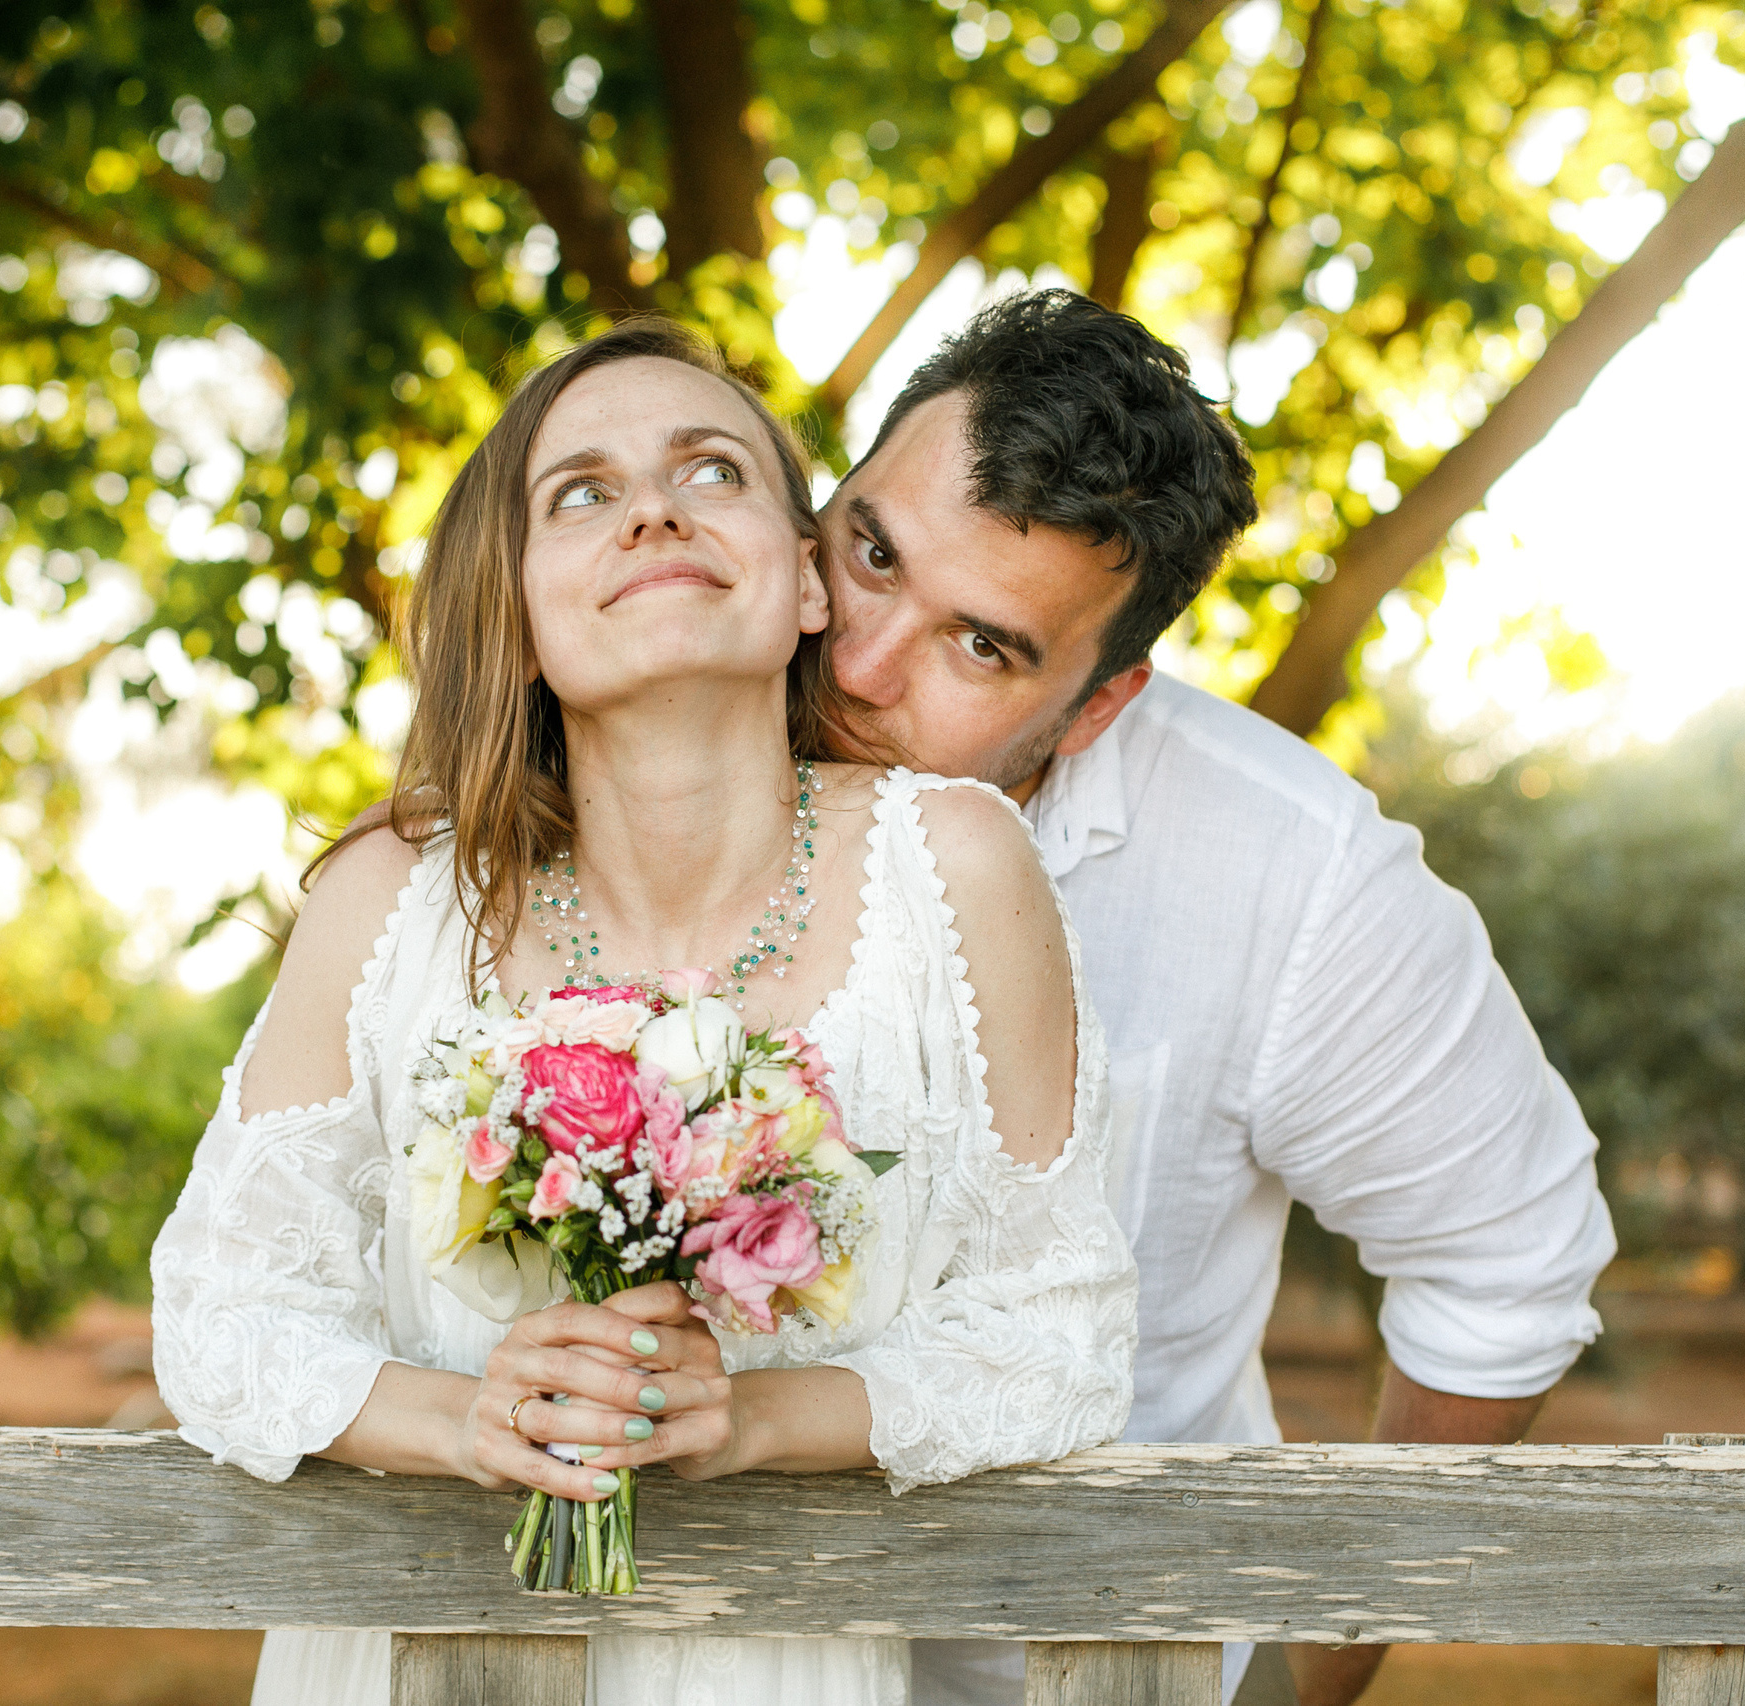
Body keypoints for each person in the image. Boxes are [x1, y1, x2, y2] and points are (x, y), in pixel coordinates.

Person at [148, 318, 1139, 1706]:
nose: (654, 508)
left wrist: (756, 1419)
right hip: (423, 1654)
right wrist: (471, 1413)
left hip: (770, 1660)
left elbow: (1061, 1331)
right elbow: (221, 1308)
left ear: (805, 584)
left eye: (713, 469)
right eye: (582, 492)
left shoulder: (959, 867)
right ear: (521, 607)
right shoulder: (393, 897)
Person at [821, 290, 1618, 1706]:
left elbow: (1510, 1258)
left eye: (983, 644)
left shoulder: (1294, 874)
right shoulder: (610, 736)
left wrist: (1305, 1663)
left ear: (1101, 698)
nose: (859, 662)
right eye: (870, 550)